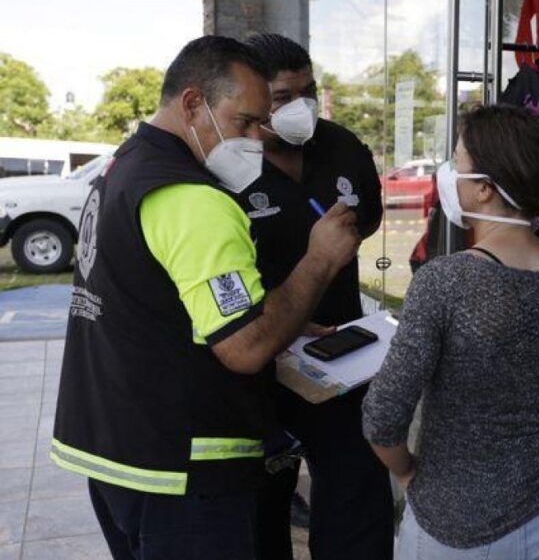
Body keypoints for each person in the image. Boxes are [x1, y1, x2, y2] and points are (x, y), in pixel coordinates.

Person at [50, 36, 361, 560]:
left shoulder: (123, 168)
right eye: (243, 123)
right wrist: (320, 260)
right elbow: (245, 349)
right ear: (193, 103)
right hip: (182, 469)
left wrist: (273, 313)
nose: (256, 141)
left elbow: (160, 302)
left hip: (116, 449)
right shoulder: (193, 199)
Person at [362, 105, 539, 559]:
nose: (447, 173)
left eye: (456, 162)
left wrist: (406, 475)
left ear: (483, 189)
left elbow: (383, 418)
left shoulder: (444, 283)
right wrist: (535, 409)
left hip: (449, 526)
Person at [237, 33, 392, 560]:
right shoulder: (225, 166)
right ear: (253, 98)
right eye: (282, 97)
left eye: (309, 91)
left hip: (340, 355)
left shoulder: (343, 147)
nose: (299, 107)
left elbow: (365, 221)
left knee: (356, 486)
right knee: (261, 504)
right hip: (256, 357)